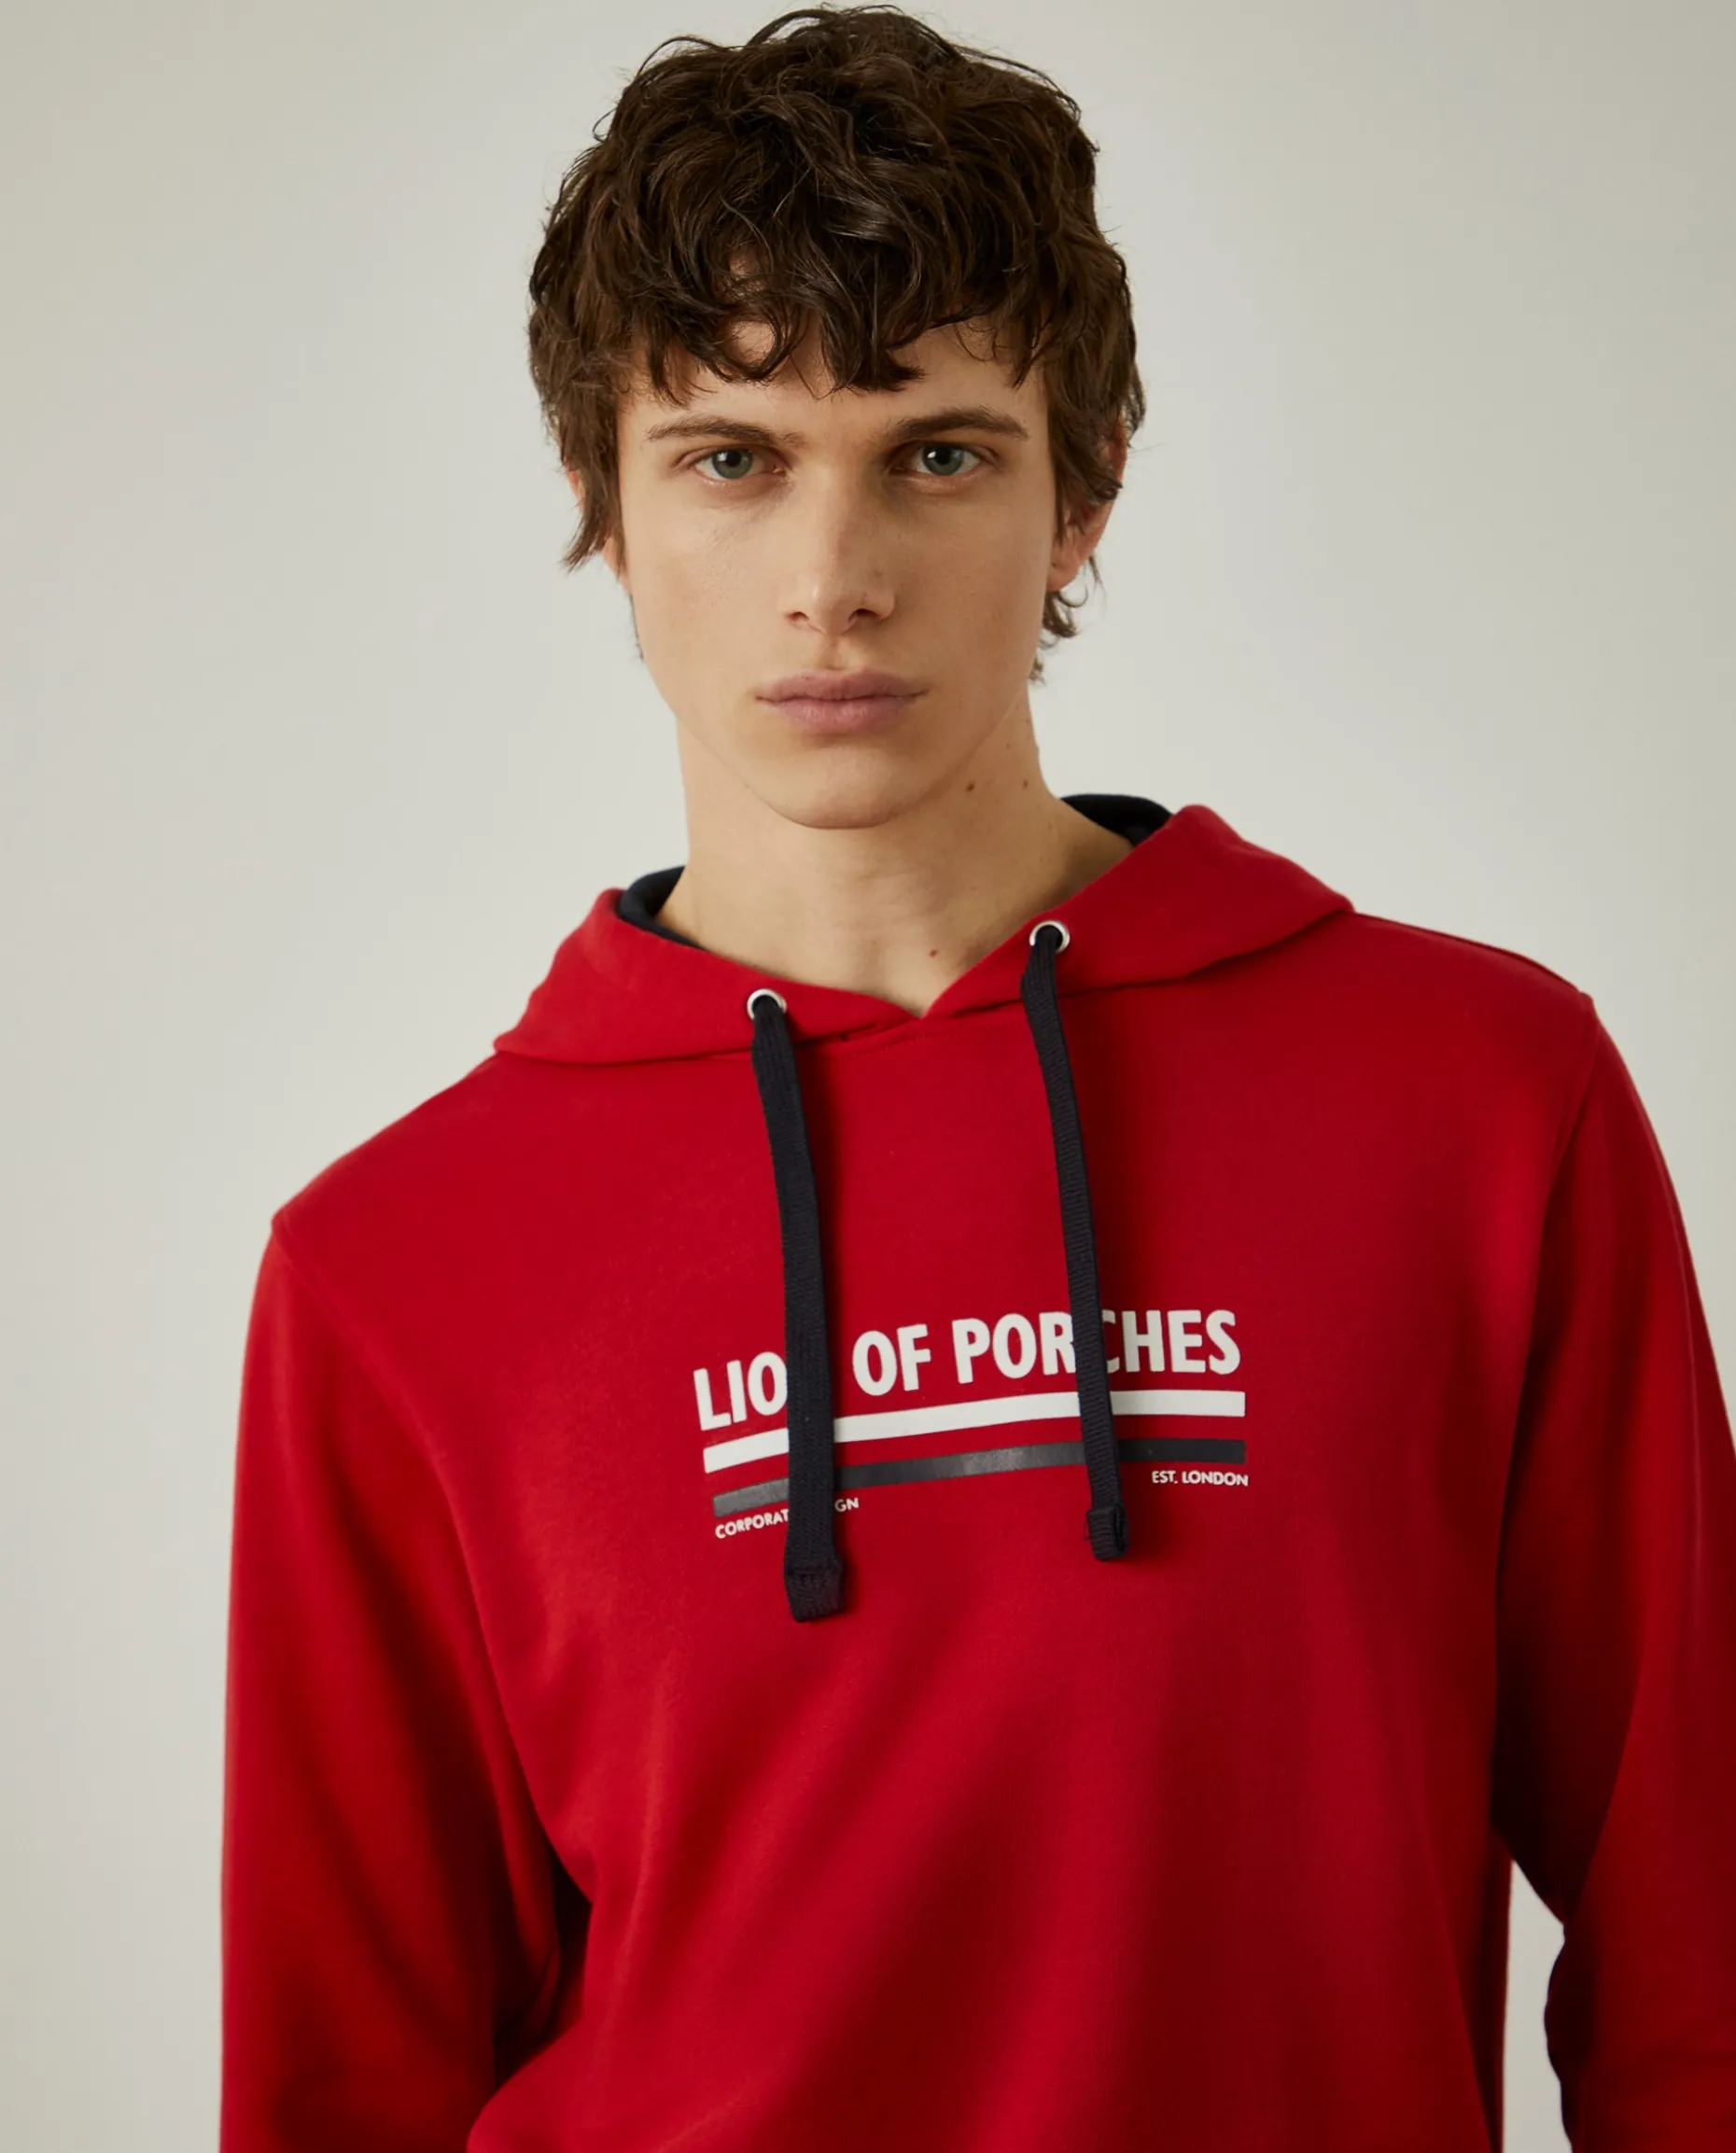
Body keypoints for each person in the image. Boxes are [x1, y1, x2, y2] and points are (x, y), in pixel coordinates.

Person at [217, 7, 1736, 2148]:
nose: (832, 579)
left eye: (935, 451)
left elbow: (1700, 1942)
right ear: (602, 506)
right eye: (731, 456)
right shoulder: (394, 1268)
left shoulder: (1482, 1105)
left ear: (1082, 488)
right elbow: (341, 2077)